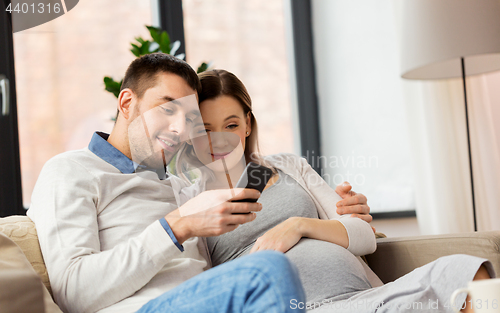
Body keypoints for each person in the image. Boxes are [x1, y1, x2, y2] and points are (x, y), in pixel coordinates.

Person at [26, 53, 370, 313]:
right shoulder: (70, 171)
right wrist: (175, 226)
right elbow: (71, 291)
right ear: (127, 103)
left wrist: (343, 217)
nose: (179, 128)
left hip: (213, 299)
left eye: (190, 117)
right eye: (167, 108)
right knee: (265, 272)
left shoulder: (179, 186)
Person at [177, 69, 496, 313]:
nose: (220, 140)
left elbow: (363, 235)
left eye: (231, 125)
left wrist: (297, 225)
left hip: (366, 299)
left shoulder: (287, 166)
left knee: (466, 271)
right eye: (205, 129)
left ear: (247, 124)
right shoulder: (191, 201)